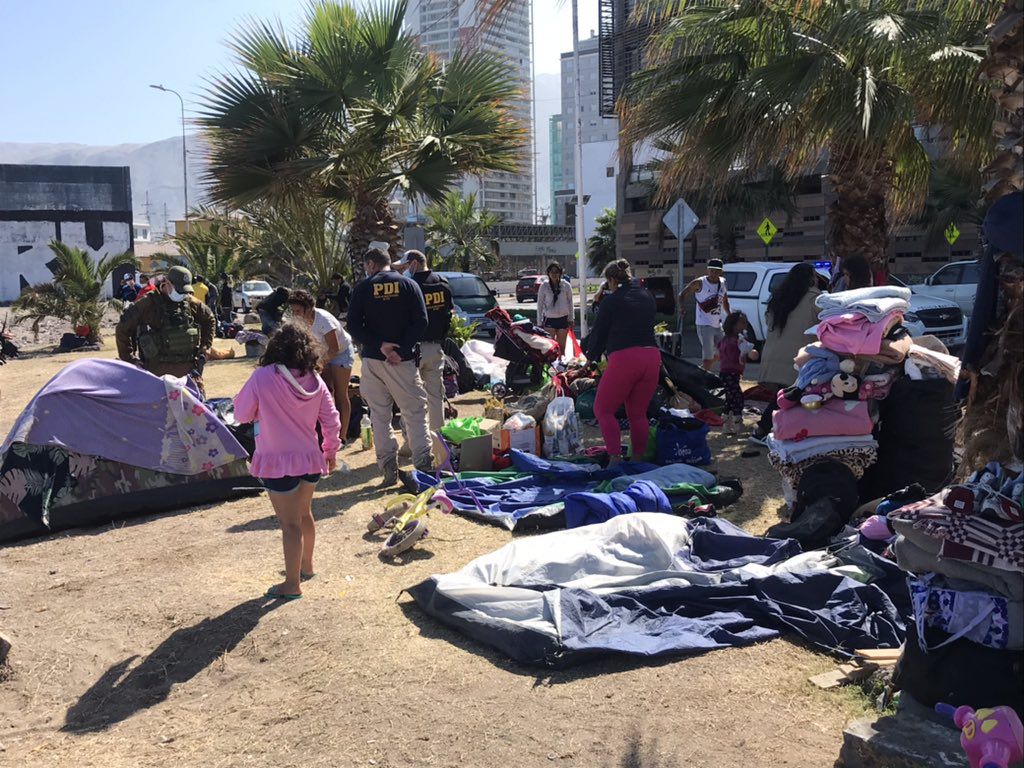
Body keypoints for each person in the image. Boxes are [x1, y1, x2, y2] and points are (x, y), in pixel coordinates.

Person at [233, 324, 341, 600]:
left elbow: (242, 414)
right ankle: (307, 566)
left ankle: (291, 584)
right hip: (309, 458)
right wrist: (330, 451)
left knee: (289, 524)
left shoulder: (262, 377)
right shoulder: (315, 381)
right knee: (305, 515)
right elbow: (330, 419)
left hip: (276, 462)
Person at [346, 247, 431, 486]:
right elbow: (421, 321)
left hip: (373, 360)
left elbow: (353, 324)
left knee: (379, 416)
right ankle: (423, 465)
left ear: (371, 264)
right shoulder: (408, 285)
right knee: (414, 413)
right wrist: (401, 350)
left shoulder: (363, 288)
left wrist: (379, 345)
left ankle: (388, 469)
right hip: (402, 362)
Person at [584, 259, 660, 462]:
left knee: (602, 409)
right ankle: (638, 459)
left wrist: (590, 357)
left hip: (626, 358)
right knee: (637, 413)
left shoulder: (612, 301)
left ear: (611, 280)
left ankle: (615, 458)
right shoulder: (647, 296)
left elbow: (599, 333)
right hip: (652, 356)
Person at [750, 263, 821, 444]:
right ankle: (764, 429)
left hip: (772, 359)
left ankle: (766, 429)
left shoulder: (779, 298)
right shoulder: (816, 300)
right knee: (792, 398)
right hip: (798, 361)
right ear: (811, 278)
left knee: (784, 397)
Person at [115, 266, 216, 382]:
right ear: (167, 283)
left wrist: (205, 347)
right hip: (156, 377)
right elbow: (122, 328)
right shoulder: (147, 303)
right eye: (179, 290)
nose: (182, 294)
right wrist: (130, 360)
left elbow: (210, 319)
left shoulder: (190, 302)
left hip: (189, 376)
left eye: (185, 291)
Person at [393, 250, 454, 431]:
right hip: (435, 347)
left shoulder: (409, 286)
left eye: (404, 266)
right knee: (436, 395)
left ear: (413, 264)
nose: (403, 270)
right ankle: (438, 439)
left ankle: (412, 440)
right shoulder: (442, 284)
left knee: (411, 397)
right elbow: (448, 316)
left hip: (412, 350)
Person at [287, 289, 354, 443]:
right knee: (325, 394)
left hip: (340, 353)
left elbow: (334, 349)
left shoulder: (324, 320)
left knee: (340, 394)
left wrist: (317, 366)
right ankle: (326, 435)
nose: (295, 314)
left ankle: (342, 437)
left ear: (309, 308)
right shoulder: (299, 322)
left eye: (298, 310)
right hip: (322, 354)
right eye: (293, 311)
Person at [679, 258, 731, 370]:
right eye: (711, 270)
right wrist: (682, 307)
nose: (714, 273)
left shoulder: (723, 282)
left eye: (717, 271)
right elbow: (682, 294)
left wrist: (729, 314)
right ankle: (703, 380)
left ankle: (698, 372)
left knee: (723, 353)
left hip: (718, 325)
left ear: (721, 272)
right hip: (704, 325)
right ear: (707, 270)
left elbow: (725, 300)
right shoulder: (700, 283)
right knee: (708, 358)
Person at [717, 311, 759, 435]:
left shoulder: (731, 340)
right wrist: (743, 351)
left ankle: (726, 423)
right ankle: (736, 421)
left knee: (730, 398)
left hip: (730, 373)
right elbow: (733, 355)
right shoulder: (733, 341)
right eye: (742, 322)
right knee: (737, 397)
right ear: (733, 325)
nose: (745, 324)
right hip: (729, 373)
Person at [536, 261, 574, 354]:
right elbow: (540, 304)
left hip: (563, 319)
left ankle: (561, 366)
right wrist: (539, 322)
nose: (554, 274)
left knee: (561, 348)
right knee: (550, 348)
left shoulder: (566, 285)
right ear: (548, 273)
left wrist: (571, 318)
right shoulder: (544, 286)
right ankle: (550, 367)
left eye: (556, 272)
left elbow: (570, 302)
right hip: (549, 320)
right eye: (552, 271)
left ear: (560, 273)